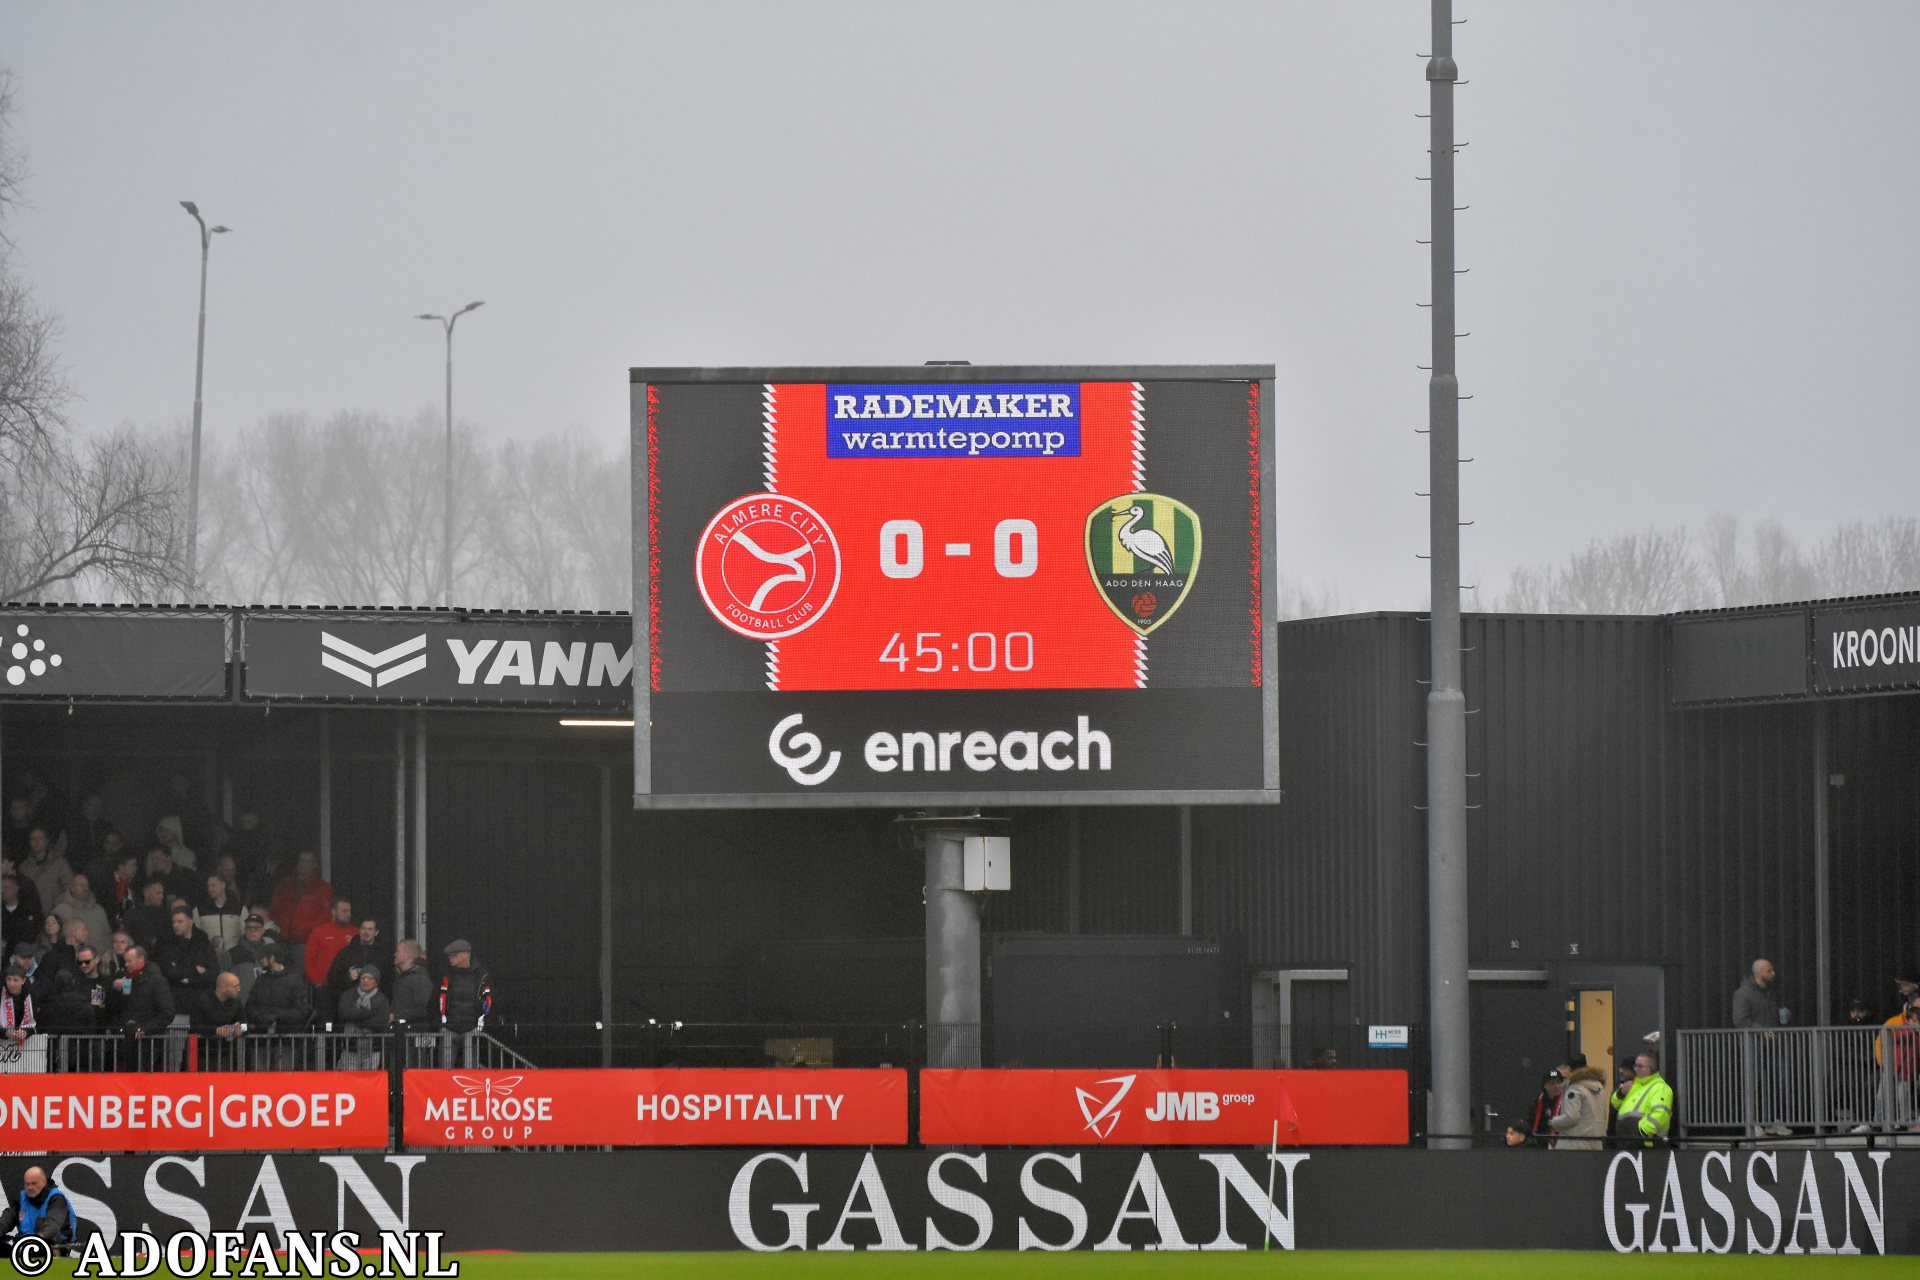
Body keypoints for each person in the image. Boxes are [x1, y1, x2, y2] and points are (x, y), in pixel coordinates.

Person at [1732, 958, 1789, 1136]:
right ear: (1759, 973)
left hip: (1774, 1047)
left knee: (1778, 1083)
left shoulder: (1771, 993)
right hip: (1753, 1047)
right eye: (1769, 971)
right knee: (1754, 1084)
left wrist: (1783, 1018)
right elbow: (1740, 1020)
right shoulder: (1743, 993)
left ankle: (1775, 1121)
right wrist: (1761, 1031)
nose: (1773, 974)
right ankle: (1753, 1123)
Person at [105, 945, 175, 1049]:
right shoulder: (126, 979)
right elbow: (118, 1007)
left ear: (141, 959)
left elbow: (167, 1012)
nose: (126, 964)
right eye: (125, 961)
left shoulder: (157, 981)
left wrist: (146, 1029)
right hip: (125, 1038)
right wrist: (116, 991)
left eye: (129, 961)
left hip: (148, 1042)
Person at [438, 939, 492, 1067]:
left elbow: (488, 1002)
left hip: (471, 1030)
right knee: (444, 1073)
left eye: (454, 954)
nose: (450, 958)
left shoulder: (482, 975)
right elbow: (437, 999)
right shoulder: (446, 974)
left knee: (470, 1073)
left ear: (466, 955)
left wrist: (480, 1027)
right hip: (449, 1029)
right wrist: (441, 1025)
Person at [268, 851, 333, 954]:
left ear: (314, 865)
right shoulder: (285, 884)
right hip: (280, 939)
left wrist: (304, 930)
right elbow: (273, 909)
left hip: (304, 941)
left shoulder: (322, 888)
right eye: (301, 860)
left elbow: (325, 917)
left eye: (307, 861)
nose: (303, 864)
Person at [0, 1166, 79, 1248]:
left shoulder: (56, 1199)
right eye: (27, 1184)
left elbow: (53, 1223)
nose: (30, 1187)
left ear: (44, 1182)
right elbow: (8, 1218)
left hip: (51, 1244)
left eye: (34, 1183)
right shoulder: (22, 1198)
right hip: (26, 1243)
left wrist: (37, 1240)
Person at [243, 942, 311, 1034]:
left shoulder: (295, 980)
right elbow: (250, 1004)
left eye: (262, 958)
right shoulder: (261, 979)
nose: (260, 961)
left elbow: (301, 1011)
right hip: (261, 1033)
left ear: (272, 958)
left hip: (287, 1035)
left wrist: (276, 1016)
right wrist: (258, 1017)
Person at [154, 909, 218, 1004]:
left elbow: (213, 975)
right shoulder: (168, 946)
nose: (175, 925)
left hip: (202, 1001)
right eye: (174, 922)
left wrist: (188, 980)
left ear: (190, 922)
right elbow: (169, 972)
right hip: (177, 1001)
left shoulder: (204, 946)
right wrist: (195, 970)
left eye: (180, 921)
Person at [1612, 1051, 1673, 1146]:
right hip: (1626, 1141)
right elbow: (1615, 1104)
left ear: (1651, 1069)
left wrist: (1642, 1131)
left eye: (1640, 1066)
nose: (1636, 1069)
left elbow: (1661, 1114)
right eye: (1635, 1066)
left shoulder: (1660, 1087)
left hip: (1647, 1144)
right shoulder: (1633, 1085)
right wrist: (1621, 1094)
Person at [44, 945, 106, 1035]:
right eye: (80, 962)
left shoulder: (105, 981)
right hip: (80, 1032)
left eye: (87, 962)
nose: (83, 965)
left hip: (99, 1031)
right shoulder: (74, 981)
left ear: (97, 959)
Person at [1550, 1058, 1611, 1150]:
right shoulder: (1599, 1089)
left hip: (1574, 1144)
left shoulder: (1575, 1088)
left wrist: (1553, 1122)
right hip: (1596, 1142)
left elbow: (1571, 1117)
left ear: (1568, 1069)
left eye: (1561, 1068)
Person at [192, 972, 248, 1070]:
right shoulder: (202, 1000)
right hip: (203, 1053)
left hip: (226, 1053)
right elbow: (195, 1026)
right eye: (235, 986)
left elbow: (245, 1024)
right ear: (223, 987)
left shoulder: (237, 1002)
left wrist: (240, 1030)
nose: (239, 989)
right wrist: (216, 1031)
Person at [325, 918, 383, 1011]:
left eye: (370, 929)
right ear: (359, 930)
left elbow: (389, 980)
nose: (366, 932)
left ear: (376, 932)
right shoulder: (346, 952)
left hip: (377, 1004)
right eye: (363, 928)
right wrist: (348, 977)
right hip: (351, 1004)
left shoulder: (384, 954)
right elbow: (331, 977)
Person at [49, 874, 111, 958]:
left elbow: (107, 936)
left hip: (97, 960)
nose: (85, 888)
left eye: (86, 885)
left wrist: (103, 956)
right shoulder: (60, 911)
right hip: (69, 960)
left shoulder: (99, 911)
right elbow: (51, 937)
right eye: (80, 885)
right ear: (71, 887)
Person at [304, 899, 358, 995]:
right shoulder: (319, 932)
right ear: (333, 911)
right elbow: (309, 960)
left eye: (349, 911)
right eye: (344, 911)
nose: (348, 914)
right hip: (325, 986)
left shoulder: (355, 933)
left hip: (349, 986)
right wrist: (317, 981)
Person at [1505, 1070, 1564, 1147]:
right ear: (1545, 1086)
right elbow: (1531, 1121)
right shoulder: (1539, 1101)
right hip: (1540, 1141)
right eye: (1552, 1083)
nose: (1556, 1086)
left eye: (1558, 1083)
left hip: (1560, 1141)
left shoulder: (1566, 1101)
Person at [19, 826, 71, 909]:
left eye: (40, 838)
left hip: (56, 913)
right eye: (33, 839)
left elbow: (69, 887)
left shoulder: (60, 863)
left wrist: (58, 909)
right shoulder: (23, 868)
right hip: (33, 913)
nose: (36, 842)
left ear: (47, 841)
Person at [194, 873, 245, 956]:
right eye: (208, 886)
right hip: (208, 957)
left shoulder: (239, 909)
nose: (209, 889)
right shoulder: (199, 910)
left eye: (213, 885)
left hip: (234, 957)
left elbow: (245, 935)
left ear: (223, 885)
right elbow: (195, 937)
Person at [391, 939, 435, 1026]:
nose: (395, 954)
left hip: (414, 1030)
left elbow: (423, 1010)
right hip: (403, 1028)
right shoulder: (402, 977)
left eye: (398, 951)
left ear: (407, 955)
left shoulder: (420, 979)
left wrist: (396, 1016)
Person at [2, 962, 36, 1045]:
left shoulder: (32, 997)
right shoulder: (1, 995)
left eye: (15, 980)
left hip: (27, 1047)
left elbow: (37, 1024)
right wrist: (6, 1032)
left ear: (23, 981)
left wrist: (26, 1032)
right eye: (8, 979)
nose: (11, 983)